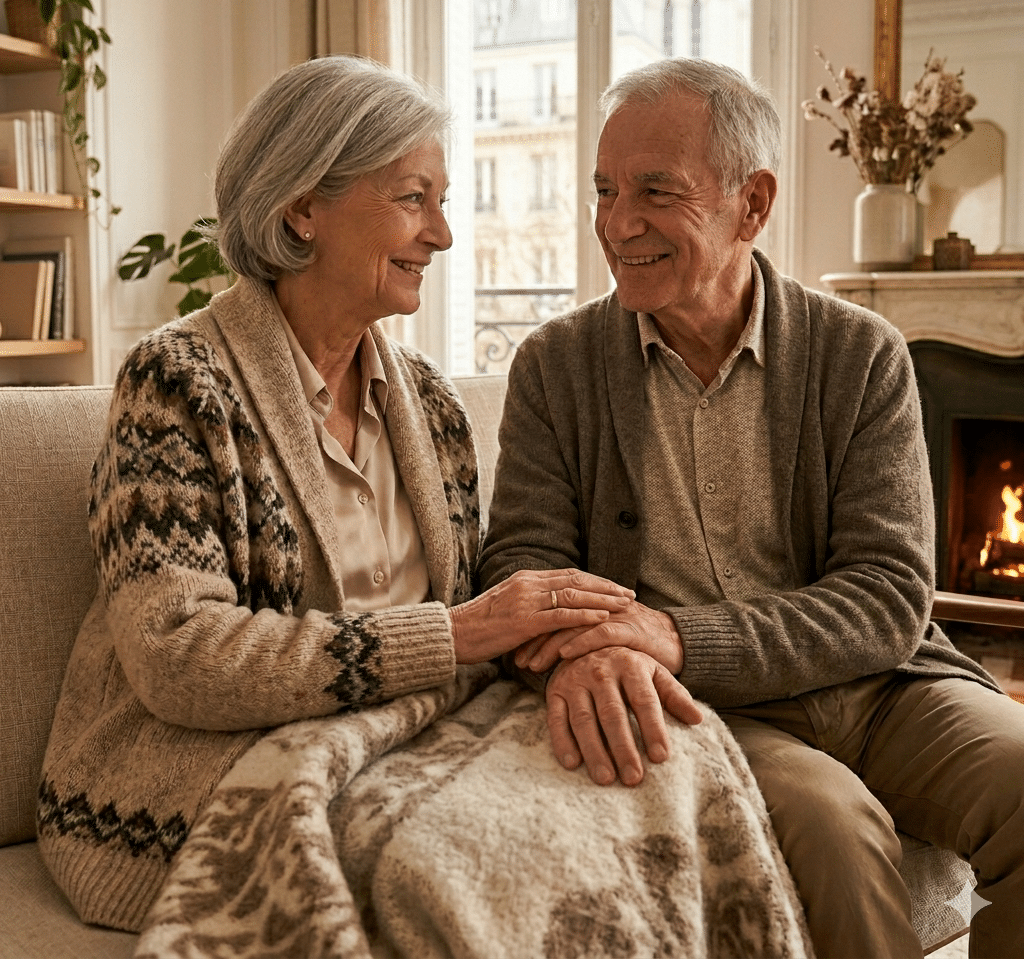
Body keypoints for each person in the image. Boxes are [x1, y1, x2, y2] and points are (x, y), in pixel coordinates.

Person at [37, 55, 634, 932]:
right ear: (302, 206)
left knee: (624, 785)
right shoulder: (178, 384)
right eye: (413, 198)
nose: (443, 235)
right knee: (466, 853)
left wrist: (588, 646)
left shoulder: (429, 405)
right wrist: (453, 636)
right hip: (188, 771)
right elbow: (178, 655)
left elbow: (478, 618)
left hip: (397, 741)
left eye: (442, 200)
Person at [478, 57, 1024, 959]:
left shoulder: (861, 354)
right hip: (710, 709)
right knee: (836, 837)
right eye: (605, 190)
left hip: (884, 688)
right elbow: (524, 569)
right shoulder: (555, 365)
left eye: (657, 191)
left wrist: (679, 635)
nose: (618, 224)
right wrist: (608, 658)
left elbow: (889, 596)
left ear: (753, 203)